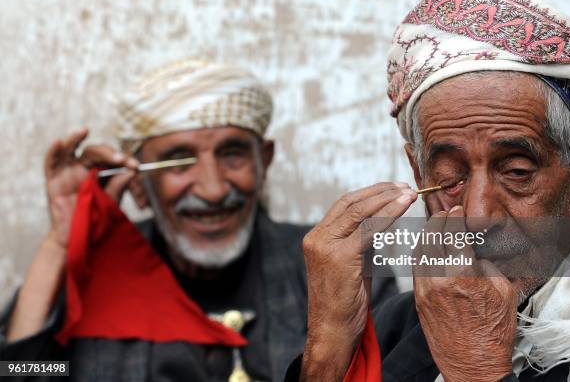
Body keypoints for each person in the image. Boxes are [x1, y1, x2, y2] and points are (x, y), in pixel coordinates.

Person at [0, 59, 398, 381]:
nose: (211, 188)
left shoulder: (341, 266)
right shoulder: (95, 279)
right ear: (139, 184)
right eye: (180, 161)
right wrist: (60, 244)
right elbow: (19, 373)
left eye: (233, 154)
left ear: (265, 162)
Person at [290, 0, 570, 382]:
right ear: (419, 174)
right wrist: (328, 344)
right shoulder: (398, 326)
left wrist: (474, 367)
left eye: (516, 172)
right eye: (450, 180)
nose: (478, 217)